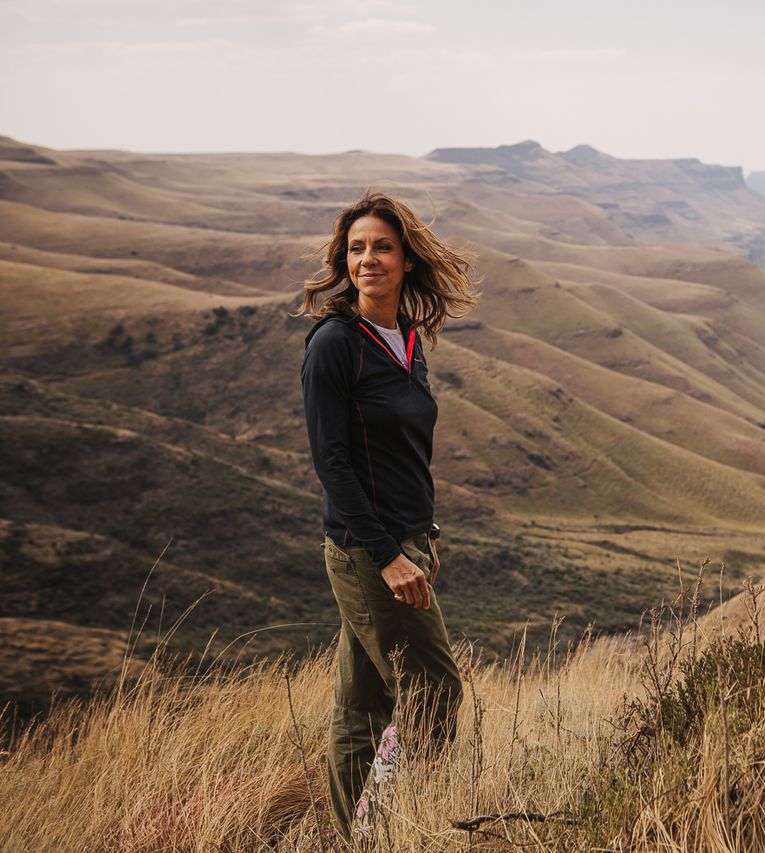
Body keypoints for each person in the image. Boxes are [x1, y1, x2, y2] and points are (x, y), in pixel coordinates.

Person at [298, 190, 480, 838]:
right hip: (365, 549)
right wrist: (388, 554)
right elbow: (334, 461)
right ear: (343, 261)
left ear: (406, 259)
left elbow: (403, 455)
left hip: (403, 541)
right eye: (356, 249)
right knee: (436, 688)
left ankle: (357, 834)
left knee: (362, 704)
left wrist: (422, 534)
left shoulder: (407, 340)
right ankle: (406, 818)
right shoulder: (335, 344)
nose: (367, 258)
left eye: (381, 246)